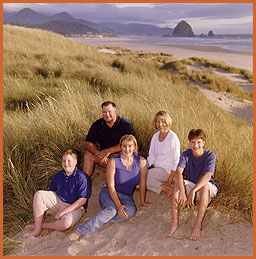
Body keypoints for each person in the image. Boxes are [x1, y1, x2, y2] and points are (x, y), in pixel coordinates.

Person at [68, 135, 155, 241]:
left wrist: (142, 202)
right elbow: (110, 186)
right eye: (124, 146)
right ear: (121, 147)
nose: (127, 149)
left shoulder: (141, 161)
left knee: (131, 211)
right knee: (112, 210)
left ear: (134, 147)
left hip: (126, 196)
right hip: (108, 193)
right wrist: (119, 206)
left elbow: (142, 183)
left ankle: (96, 219)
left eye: (130, 146)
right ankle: (80, 231)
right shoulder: (113, 161)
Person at [165, 129, 220, 240]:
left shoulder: (210, 155)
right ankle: (174, 223)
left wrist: (193, 191)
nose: (196, 145)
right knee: (177, 184)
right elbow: (178, 172)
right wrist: (182, 192)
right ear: (189, 143)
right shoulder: (186, 154)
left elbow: (207, 176)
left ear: (203, 142)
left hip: (207, 187)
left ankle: (197, 225)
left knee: (204, 186)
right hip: (191, 183)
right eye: (193, 142)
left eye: (199, 142)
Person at [25, 149, 91, 237]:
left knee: (65, 224)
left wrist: (62, 212)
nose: (66, 163)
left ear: (75, 162)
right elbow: (51, 192)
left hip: (76, 207)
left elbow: (82, 200)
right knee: (39, 194)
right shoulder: (58, 175)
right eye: (64, 161)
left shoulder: (82, 177)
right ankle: (37, 229)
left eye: (69, 161)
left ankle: (42, 225)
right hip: (59, 201)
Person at [83, 101, 133, 177]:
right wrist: (99, 154)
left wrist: (108, 151)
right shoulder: (97, 124)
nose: (107, 115)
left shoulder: (125, 124)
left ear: (115, 111)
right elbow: (88, 143)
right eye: (104, 112)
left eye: (109, 112)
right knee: (88, 155)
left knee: (126, 153)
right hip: (103, 155)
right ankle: (84, 181)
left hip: (119, 154)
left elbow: (128, 144)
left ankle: (122, 179)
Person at [146, 111, 180, 195]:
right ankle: (163, 187)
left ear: (168, 122)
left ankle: (167, 187)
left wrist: (169, 180)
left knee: (140, 179)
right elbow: (151, 158)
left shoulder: (173, 138)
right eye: (158, 121)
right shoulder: (155, 136)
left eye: (163, 121)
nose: (160, 124)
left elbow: (176, 162)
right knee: (137, 177)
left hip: (167, 171)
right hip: (157, 169)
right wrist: (141, 168)